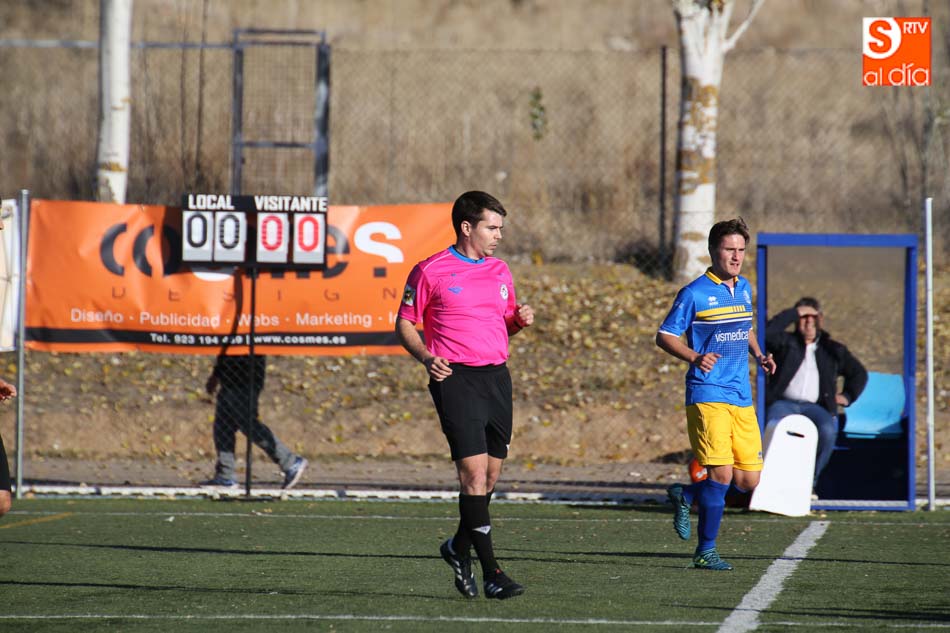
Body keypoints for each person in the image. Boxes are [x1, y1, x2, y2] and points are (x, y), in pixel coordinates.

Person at [396, 191, 533, 600]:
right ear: (467, 227)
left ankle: (458, 547)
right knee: (472, 475)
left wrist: (518, 322)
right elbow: (404, 323)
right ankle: (492, 572)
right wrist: (426, 357)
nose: (499, 236)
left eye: (501, 228)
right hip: (455, 379)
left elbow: (502, 325)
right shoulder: (430, 270)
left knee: (489, 477)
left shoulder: (500, 271)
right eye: (492, 228)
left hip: (497, 379)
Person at [656, 217, 776, 571]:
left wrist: (759, 355)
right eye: (729, 249)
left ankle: (687, 493)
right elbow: (665, 335)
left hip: (741, 394)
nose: (736, 256)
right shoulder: (693, 293)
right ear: (712, 251)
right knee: (721, 475)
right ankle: (705, 550)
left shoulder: (744, 287)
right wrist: (695, 356)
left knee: (748, 480)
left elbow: (745, 327)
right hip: (707, 392)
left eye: (741, 250)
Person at [765, 297, 868, 491]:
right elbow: (766, 333)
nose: (809, 322)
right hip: (783, 404)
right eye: (804, 317)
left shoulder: (832, 350)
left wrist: (847, 396)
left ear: (820, 319)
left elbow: (858, 373)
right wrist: (794, 313)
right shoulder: (785, 343)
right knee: (774, 425)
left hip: (816, 407)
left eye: (813, 317)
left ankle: (808, 483)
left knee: (827, 431)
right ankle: (770, 481)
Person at [202, 354, 307, 489]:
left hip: (245, 377)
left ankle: (289, 461)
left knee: (247, 422)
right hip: (228, 377)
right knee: (223, 425)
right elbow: (225, 350)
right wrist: (216, 375)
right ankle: (225, 475)